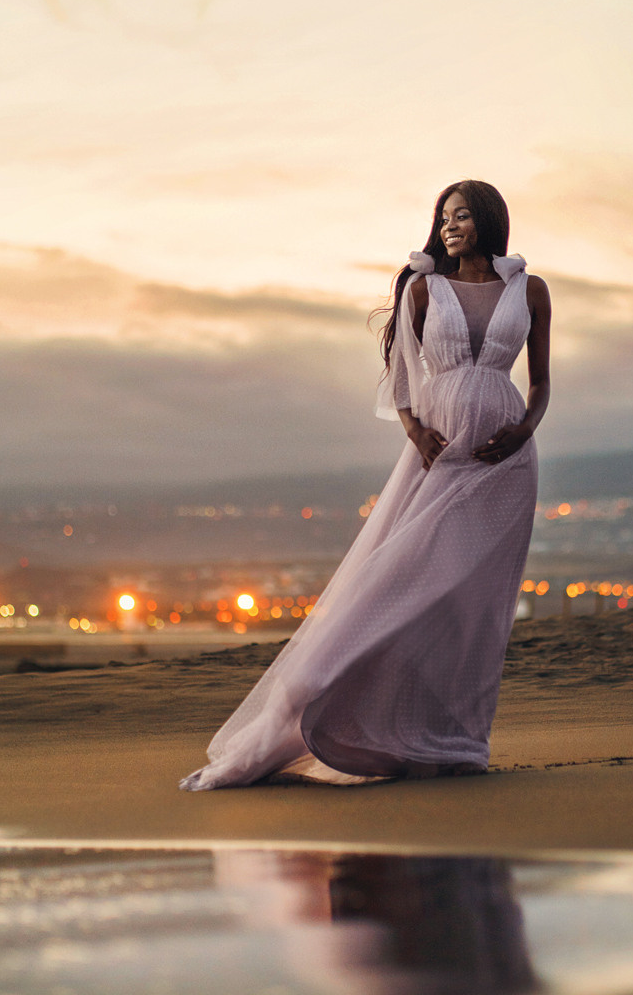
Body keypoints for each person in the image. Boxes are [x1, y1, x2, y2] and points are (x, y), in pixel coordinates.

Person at [179, 180, 550, 789]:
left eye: (463, 214)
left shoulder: (529, 290)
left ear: (489, 220)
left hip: (505, 468)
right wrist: (416, 433)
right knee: (397, 579)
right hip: (440, 461)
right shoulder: (424, 289)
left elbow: (540, 383)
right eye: (444, 216)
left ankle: (450, 743)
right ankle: (314, 693)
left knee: (472, 611)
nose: (451, 224)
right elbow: (402, 380)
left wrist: (524, 430)